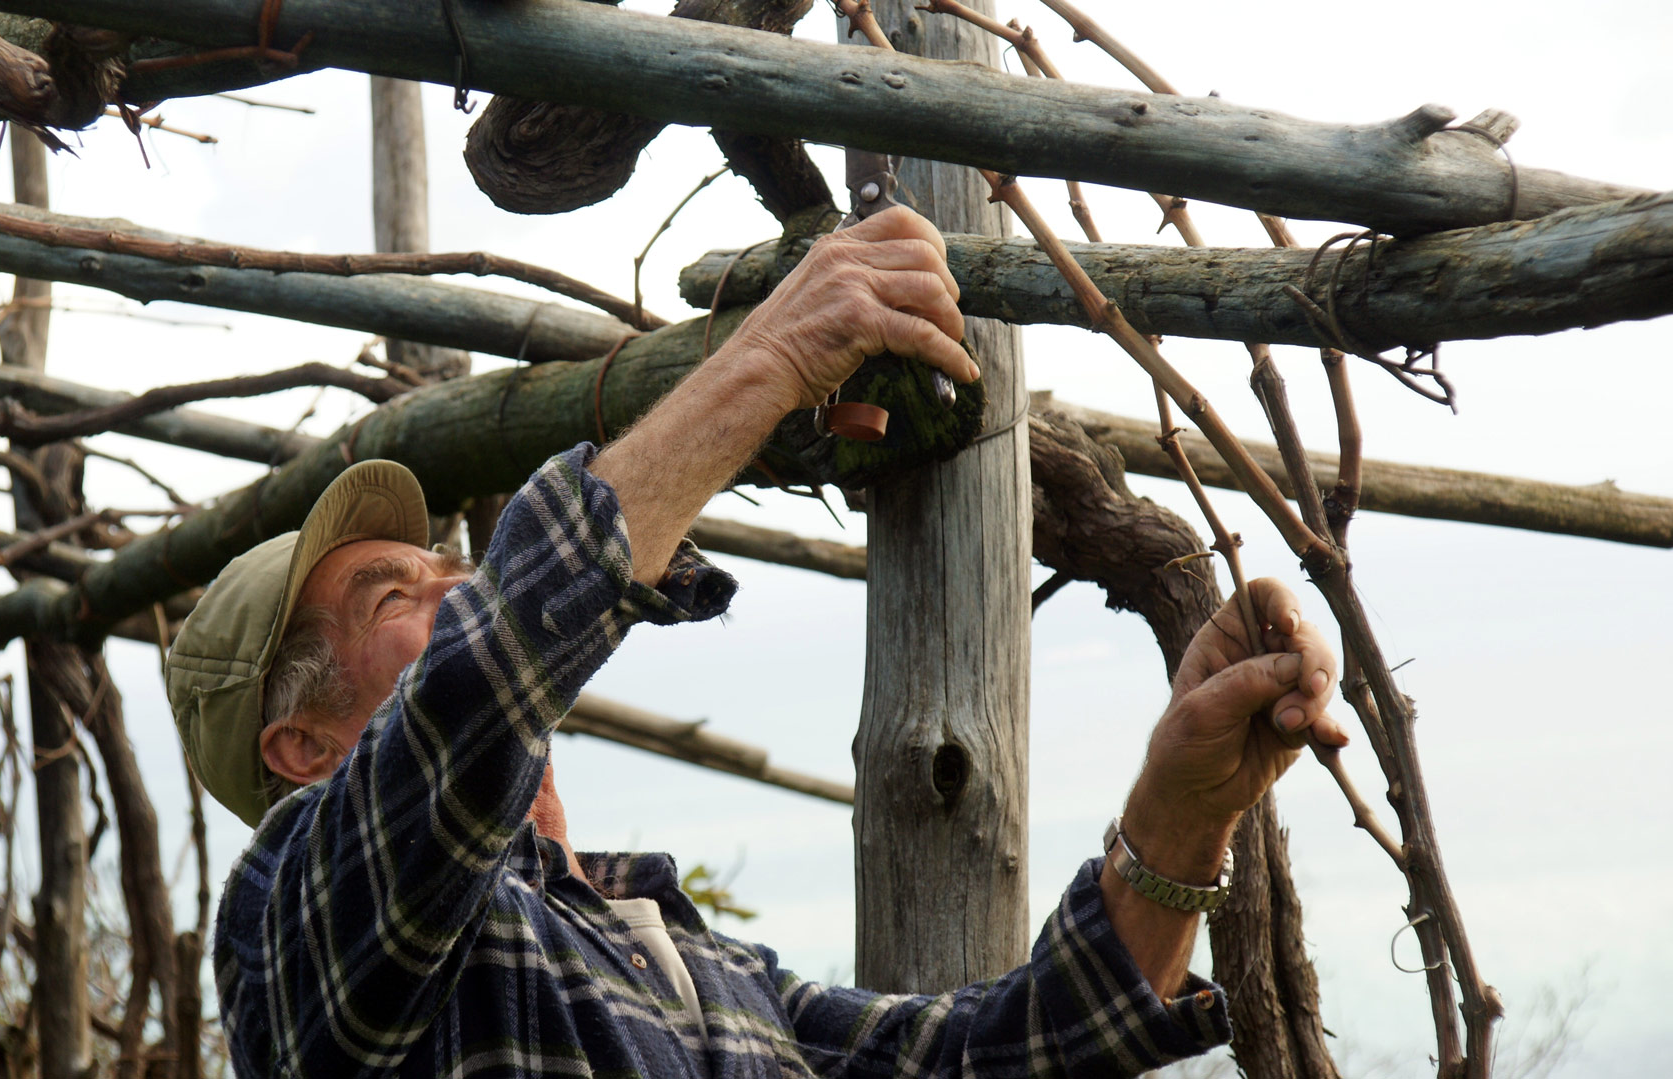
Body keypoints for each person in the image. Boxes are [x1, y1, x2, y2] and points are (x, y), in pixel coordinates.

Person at [164, 206, 1346, 1078]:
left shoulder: (693, 959)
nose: (456, 583)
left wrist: (1183, 806)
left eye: (448, 564)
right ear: (308, 745)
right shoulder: (295, 910)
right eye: (392, 593)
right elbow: (479, 676)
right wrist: (771, 360)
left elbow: (1001, 1050)